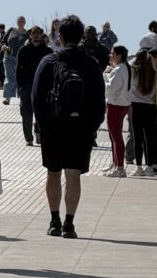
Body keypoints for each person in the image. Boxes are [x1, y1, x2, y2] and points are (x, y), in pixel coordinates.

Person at [32, 15, 106, 238]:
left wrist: (42, 124)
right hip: (81, 128)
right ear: (81, 36)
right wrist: (92, 126)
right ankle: (69, 224)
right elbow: (99, 100)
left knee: (53, 173)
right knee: (73, 176)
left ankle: (54, 221)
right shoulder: (91, 64)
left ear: (60, 37)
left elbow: (36, 97)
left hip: (53, 126)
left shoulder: (49, 62)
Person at [127, 48, 157, 177]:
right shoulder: (155, 74)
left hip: (136, 107)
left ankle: (138, 167)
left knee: (138, 138)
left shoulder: (134, 73)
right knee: (150, 138)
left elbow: (129, 64)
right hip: (151, 107)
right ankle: (150, 167)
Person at [16, 26, 51, 145]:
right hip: (26, 85)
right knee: (26, 113)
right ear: (30, 36)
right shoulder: (23, 50)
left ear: (41, 35)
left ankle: (39, 133)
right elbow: (18, 70)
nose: (36, 35)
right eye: (33, 34)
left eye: (38, 33)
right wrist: (19, 87)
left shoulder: (48, 52)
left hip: (43, 86)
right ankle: (28, 138)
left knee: (41, 112)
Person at [103, 46, 133, 177]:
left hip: (115, 105)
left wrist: (104, 76)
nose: (111, 56)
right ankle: (116, 165)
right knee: (115, 136)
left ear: (119, 55)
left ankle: (120, 167)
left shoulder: (119, 69)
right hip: (123, 104)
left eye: (113, 54)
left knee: (116, 137)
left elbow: (111, 88)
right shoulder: (125, 68)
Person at [0, 16, 29, 105]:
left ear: (25, 22)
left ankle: (22, 98)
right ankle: (7, 98)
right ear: (16, 22)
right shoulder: (11, 30)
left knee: (20, 78)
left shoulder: (27, 34)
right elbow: (3, 41)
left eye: (23, 21)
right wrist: (4, 46)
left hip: (21, 59)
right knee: (9, 77)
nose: (21, 22)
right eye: (19, 21)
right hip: (8, 56)